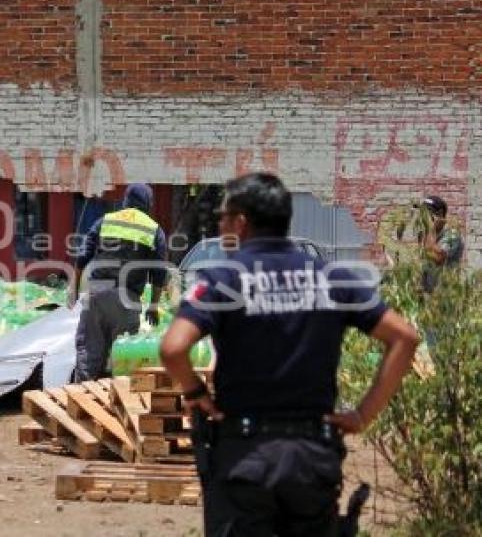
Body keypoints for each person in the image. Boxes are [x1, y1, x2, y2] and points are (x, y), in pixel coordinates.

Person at [159, 173, 419, 536]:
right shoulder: (332, 277)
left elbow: (172, 348)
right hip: (312, 459)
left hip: (245, 459)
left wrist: (195, 392)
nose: (219, 227)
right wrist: (362, 414)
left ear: (241, 222)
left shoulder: (223, 280)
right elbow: (404, 337)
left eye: (223, 218)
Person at [68, 183, 168, 381]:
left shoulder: (105, 221)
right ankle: (116, 406)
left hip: (95, 295)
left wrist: (74, 289)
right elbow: (158, 273)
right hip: (126, 299)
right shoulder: (154, 230)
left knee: (88, 353)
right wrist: (153, 306)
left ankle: (80, 401)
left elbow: (82, 256)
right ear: (148, 202)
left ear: (126, 200)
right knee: (122, 359)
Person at [420, 195, 463, 293]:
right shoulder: (429, 234)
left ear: (439, 214)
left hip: (445, 296)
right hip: (429, 296)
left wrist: (431, 229)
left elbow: (437, 257)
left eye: (426, 213)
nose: (423, 217)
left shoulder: (452, 235)